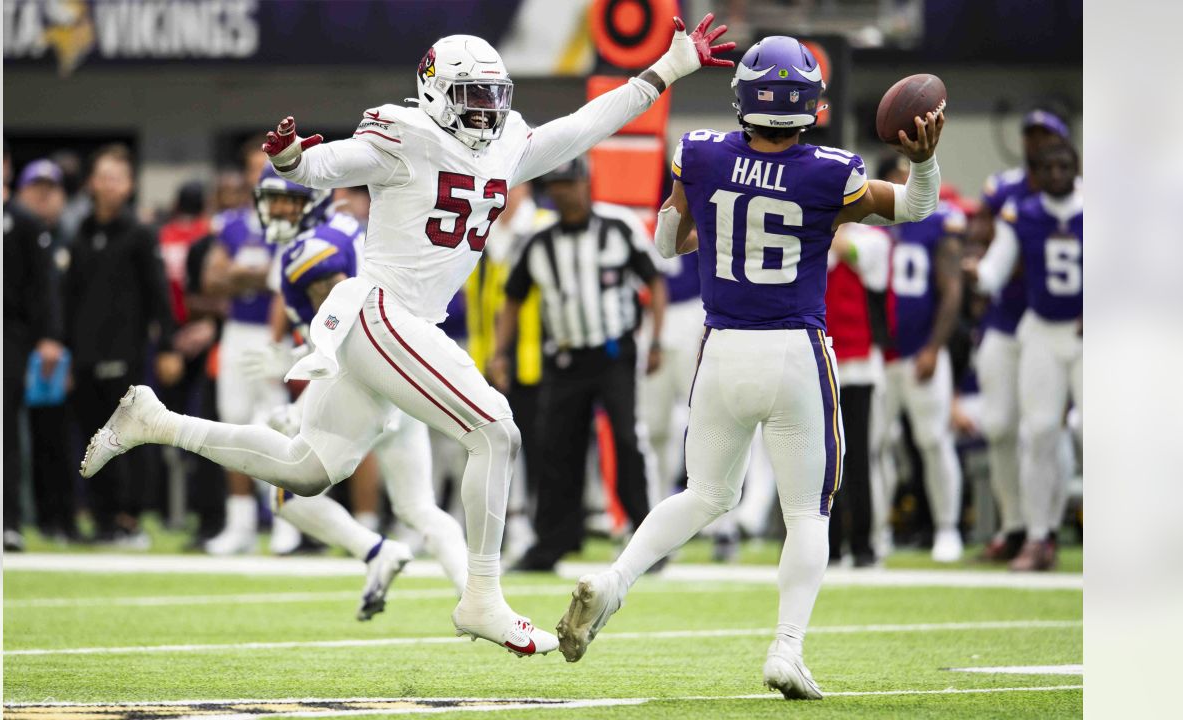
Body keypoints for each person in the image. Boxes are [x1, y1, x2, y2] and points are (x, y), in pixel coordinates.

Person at [80, 15, 735, 657]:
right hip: (381, 310)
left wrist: (669, 67)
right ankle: (481, 595)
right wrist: (292, 158)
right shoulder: (406, 132)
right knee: (495, 430)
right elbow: (335, 163)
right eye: (470, 97)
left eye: (492, 97)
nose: (484, 111)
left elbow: (586, 125)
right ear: (432, 91)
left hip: (402, 324)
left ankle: (155, 422)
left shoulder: (508, 143)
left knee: (307, 472)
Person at [554, 36, 944, 699]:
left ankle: (615, 581)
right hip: (796, 350)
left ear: (745, 99)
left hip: (723, 350)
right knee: (807, 515)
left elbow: (664, 243)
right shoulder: (831, 170)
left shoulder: (701, 153)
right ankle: (786, 650)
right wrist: (925, 164)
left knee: (704, 494)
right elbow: (913, 208)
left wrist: (718, 227)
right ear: (809, 104)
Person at [243, 167, 467, 618]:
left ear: (316, 200)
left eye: (290, 200)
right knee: (418, 507)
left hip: (362, 383)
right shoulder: (345, 231)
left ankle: (374, 549)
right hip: (399, 378)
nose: (280, 210)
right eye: (274, 201)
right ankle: (473, 591)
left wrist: (298, 386)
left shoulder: (314, 251)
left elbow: (341, 332)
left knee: (286, 493)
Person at [489, 156, 667, 572]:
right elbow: (512, 300)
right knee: (557, 449)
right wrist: (500, 353)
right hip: (565, 359)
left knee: (626, 441)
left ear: (587, 183)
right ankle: (554, 542)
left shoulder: (618, 227)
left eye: (569, 183)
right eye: (556, 185)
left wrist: (655, 340)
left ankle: (646, 540)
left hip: (613, 354)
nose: (563, 192)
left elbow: (653, 281)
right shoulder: (538, 242)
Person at [969, 140, 1081, 572]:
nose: (1055, 174)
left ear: (1076, 167)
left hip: (1086, 333)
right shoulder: (1024, 214)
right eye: (1047, 167)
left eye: (1063, 166)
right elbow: (997, 266)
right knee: (1038, 433)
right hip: (1041, 331)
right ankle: (1037, 537)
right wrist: (978, 273)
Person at [65, 143, 182, 545]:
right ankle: (101, 519)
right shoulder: (79, 234)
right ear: (91, 184)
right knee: (90, 436)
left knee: (127, 437)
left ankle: (129, 518)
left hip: (126, 353)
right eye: (103, 177)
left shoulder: (139, 233)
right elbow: (68, 297)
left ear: (130, 185)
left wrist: (167, 346)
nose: (109, 185)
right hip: (83, 355)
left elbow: (158, 295)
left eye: (117, 178)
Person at [873, 155, 967, 563]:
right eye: (896, 174)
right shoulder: (870, 217)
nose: (904, 180)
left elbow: (952, 289)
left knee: (933, 442)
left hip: (921, 351)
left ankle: (947, 529)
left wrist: (933, 347)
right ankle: (877, 533)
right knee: (874, 446)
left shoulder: (936, 220)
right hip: (880, 354)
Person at [199, 140, 289, 555]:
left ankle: (287, 520)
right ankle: (241, 523)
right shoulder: (232, 222)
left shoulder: (290, 219)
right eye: (255, 168)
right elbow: (211, 280)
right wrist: (250, 276)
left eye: (267, 167)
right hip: (236, 331)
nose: (262, 175)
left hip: (274, 332)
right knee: (231, 422)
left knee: (278, 426)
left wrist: (241, 275)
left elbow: (282, 280)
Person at [4, 152, 66, 551]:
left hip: (8, 334)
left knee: (4, 431)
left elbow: (43, 288)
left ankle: (5, 521)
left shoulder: (23, 223)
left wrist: (48, 337)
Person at [14, 159, 77, 542]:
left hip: (66, 355)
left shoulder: (72, 240)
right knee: (19, 441)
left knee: (60, 439)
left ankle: (62, 519)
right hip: (20, 349)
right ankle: (24, 517)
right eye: (35, 188)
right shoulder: (11, 238)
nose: (42, 195)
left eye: (50, 189)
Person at [823, 222, 891, 566]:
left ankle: (865, 544)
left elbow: (848, 251)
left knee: (860, 457)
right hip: (823, 360)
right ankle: (829, 546)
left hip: (860, 363)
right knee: (824, 459)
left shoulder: (874, 239)